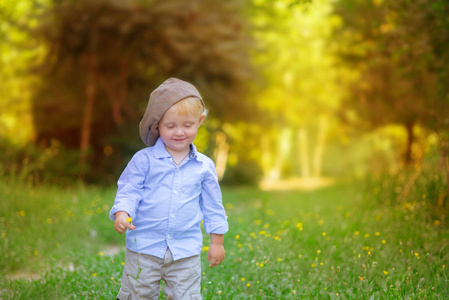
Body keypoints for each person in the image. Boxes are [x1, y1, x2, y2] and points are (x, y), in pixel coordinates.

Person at [109, 78, 228, 300]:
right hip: (144, 247)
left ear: (200, 120)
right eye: (170, 126)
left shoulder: (204, 166)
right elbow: (129, 189)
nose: (179, 132)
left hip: (185, 251)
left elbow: (213, 206)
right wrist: (122, 212)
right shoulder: (144, 160)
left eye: (187, 125)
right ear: (157, 126)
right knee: (137, 294)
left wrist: (217, 242)